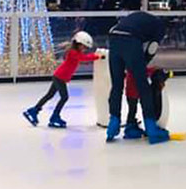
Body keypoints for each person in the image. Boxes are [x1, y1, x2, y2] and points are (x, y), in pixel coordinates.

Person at [106, 11, 169, 144]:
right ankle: (152, 129)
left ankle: (113, 126)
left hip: (114, 38)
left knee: (116, 85)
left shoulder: (141, 18)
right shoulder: (160, 27)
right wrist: (141, 65)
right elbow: (152, 48)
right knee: (142, 85)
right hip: (130, 40)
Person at [23, 31, 102, 129]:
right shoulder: (73, 52)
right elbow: (84, 58)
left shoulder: (75, 51)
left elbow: (82, 57)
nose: (84, 49)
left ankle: (34, 111)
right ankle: (54, 116)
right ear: (78, 43)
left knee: (49, 95)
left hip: (59, 76)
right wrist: (98, 56)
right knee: (64, 97)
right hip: (60, 77)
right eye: (84, 47)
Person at [122, 65, 169, 140]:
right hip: (138, 90)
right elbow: (143, 70)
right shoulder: (138, 66)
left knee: (132, 110)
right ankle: (150, 128)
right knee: (145, 109)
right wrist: (154, 70)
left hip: (131, 90)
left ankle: (131, 126)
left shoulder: (131, 65)